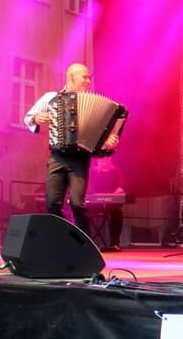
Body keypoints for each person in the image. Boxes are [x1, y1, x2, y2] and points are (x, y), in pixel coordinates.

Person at [23, 63, 120, 236]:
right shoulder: (51, 98)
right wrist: (37, 118)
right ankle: (65, 237)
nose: (88, 81)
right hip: (57, 157)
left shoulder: (92, 103)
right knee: (52, 204)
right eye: (84, 77)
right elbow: (28, 117)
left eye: (89, 77)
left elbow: (103, 139)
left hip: (80, 159)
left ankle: (85, 242)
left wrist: (109, 142)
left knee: (77, 204)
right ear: (71, 77)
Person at [87, 155, 125, 251]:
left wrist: (118, 190)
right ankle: (87, 242)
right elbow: (89, 187)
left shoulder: (115, 170)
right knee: (82, 212)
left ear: (109, 160)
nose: (102, 162)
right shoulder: (92, 171)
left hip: (111, 204)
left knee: (117, 213)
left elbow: (120, 187)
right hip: (95, 204)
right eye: (100, 160)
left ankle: (115, 243)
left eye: (105, 160)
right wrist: (95, 195)